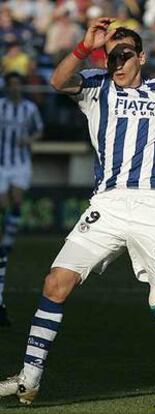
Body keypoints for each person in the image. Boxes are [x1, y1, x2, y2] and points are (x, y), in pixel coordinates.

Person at [0, 20, 155, 405]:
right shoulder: (96, 85)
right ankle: (29, 378)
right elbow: (58, 82)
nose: (118, 63)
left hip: (154, 202)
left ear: (142, 56)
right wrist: (82, 45)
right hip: (106, 204)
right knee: (55, 282)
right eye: (112, 57)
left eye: (126, 55)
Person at [0, 71, 43, 327]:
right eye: (12, 86)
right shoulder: (1, 107)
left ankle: (9, 239)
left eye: (18, 85)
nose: (15, 89)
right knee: (4, 203)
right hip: (2, 163)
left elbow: (38, 130)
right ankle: (6, 240)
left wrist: (30, 139)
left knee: (16, 201)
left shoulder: (28, 109)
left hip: (21, 163)